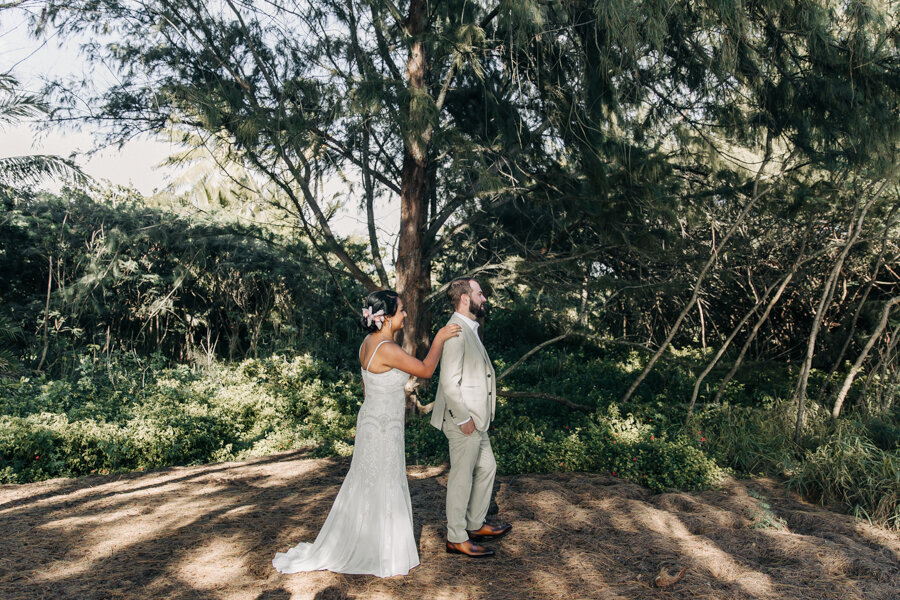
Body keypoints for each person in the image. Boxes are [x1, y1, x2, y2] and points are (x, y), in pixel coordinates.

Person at [272, 290, 462, 578]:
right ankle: (382, 552)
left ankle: (373, 542)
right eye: (401, 311)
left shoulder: (368, 343)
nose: (406, 315)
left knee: (369, 480)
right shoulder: (386, 348)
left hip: (374, 419)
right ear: (385, 318)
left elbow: (366, 386)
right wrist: (438, 339)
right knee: (384, 480)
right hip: (383, 425)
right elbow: (424, 370)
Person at [431, 278, 511, 558]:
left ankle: (475, 524)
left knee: (487, 467)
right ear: (465, 297)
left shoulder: (470, 328)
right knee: (462, 477)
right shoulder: (455, 330)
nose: (484, 299)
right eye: (480, 294)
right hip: (462, 419)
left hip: (477, 419)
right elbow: (449, 381)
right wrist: (462, 418)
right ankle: (456, 537)